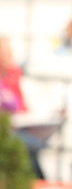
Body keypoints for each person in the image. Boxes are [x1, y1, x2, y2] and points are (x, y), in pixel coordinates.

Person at [1, 36, 46, 179]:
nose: (9, 55)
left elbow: (20, 104)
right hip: (7, 129)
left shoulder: (13, 75)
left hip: (18, 124)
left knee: (35, 145)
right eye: (6, 52)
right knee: (32, 146)